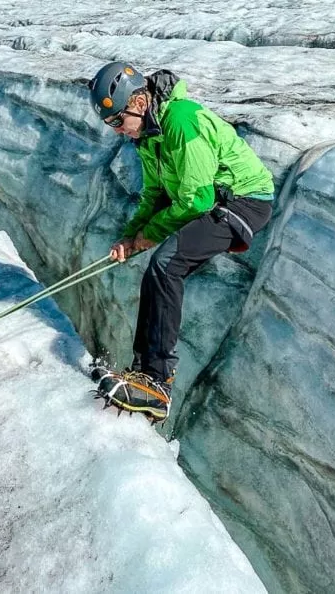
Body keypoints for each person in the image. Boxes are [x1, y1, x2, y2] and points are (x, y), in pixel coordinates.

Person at [89, 62, 274, 422]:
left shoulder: (182, 119)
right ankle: (143, 373)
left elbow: (197, 200)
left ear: (139, 104)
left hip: (245, 201)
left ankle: (157, 384)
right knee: (158, 271)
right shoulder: (147, 138)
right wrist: (132, 235)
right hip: (218, 202)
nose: (117, 131)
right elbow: (154, 195)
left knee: (166, 264)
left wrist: (148, 237)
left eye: (116, 121)